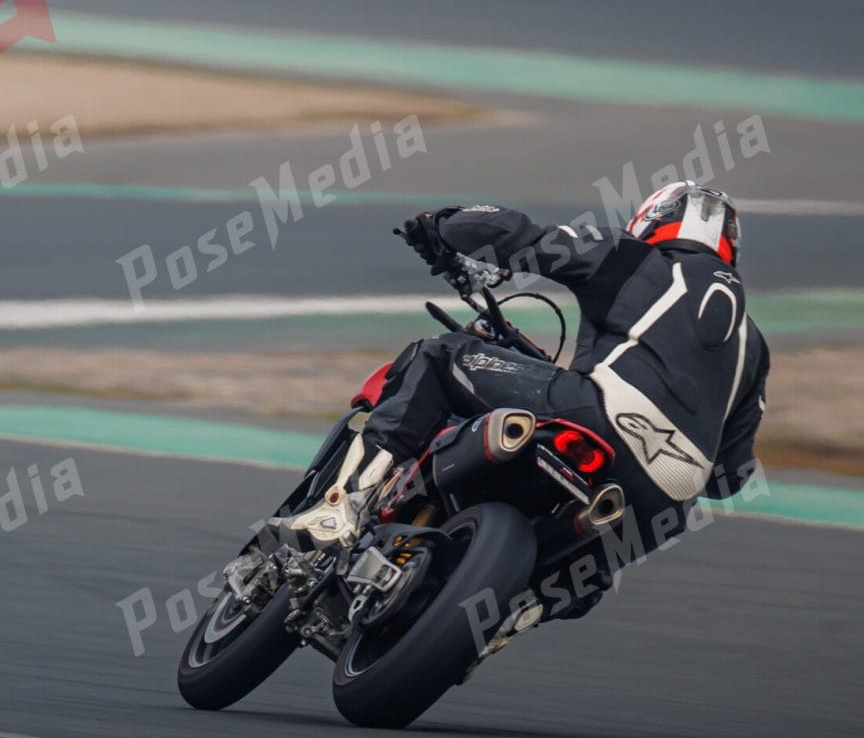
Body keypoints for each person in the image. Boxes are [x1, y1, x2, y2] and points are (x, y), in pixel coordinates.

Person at [272, 184, 768, 604]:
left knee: (439, 356)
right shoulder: (755, 348)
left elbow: (512, 235)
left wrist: (442, 227)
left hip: (600, 412)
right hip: (667, 500)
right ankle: (511, 617)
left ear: (652, 220)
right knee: (565, 586)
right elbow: (729, 476)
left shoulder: (637, 260)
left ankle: (341, 506)